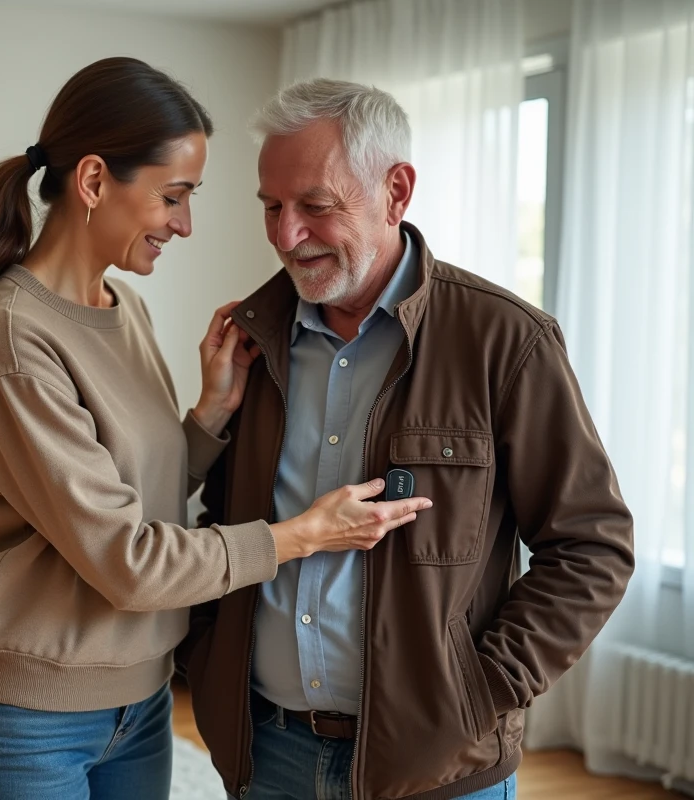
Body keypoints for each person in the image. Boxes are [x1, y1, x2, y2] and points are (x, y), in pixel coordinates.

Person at [0, 58, 431, 800]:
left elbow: (126, 496)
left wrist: (207, 419)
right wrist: (305, 535)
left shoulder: (124, 310)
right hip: (27, 720)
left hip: (141, 704)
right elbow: (127, 560)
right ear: (94, 183)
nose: (185, 224)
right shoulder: (14, 337)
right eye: (174, 196)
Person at [177, 78, 635, 800]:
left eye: (315, 206)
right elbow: (217, 525)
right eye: (271, 206)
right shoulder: (250, 341)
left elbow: (592, 546)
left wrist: (477, 695)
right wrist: (207, 660)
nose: (285, 235)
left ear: (396, 192)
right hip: (267, 755)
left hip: (438, 770)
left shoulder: (504, 341)